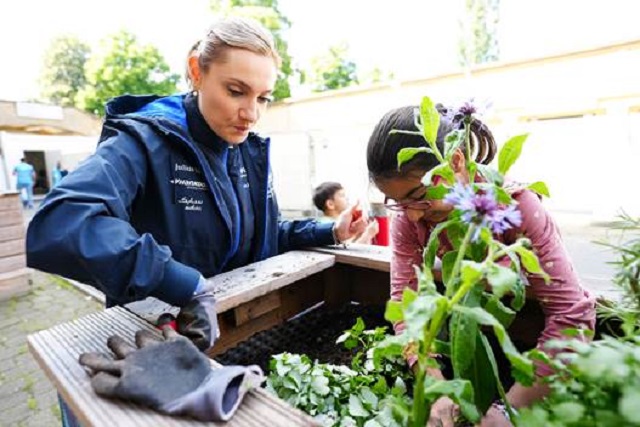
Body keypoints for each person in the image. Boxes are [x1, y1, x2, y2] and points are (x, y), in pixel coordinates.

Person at [26, 17, 365, 425]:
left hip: (229, 342)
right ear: (196, 71)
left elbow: (262, 238)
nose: (251, 113)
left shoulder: (246, 150)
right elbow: (63, 220)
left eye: (264, 97)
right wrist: (185, 283)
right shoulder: (142, 141)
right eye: (236, 91)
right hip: (152, 347)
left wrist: (330, 230)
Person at [365, 105, 596, 426]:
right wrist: (435, 387)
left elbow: (573, 315)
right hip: (458, 346)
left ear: (456, 161)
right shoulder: (410, 218)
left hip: (529, 366)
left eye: (419, 195)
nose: (413, 214)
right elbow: (406, 309)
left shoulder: (517, 206)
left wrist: (509, 411)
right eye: (400, 203)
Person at [312, 181, 379, 244]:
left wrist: (359, 233)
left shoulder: (328, 223)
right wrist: (368, 234)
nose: (347, 198)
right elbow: (348, 253)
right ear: (330, 204)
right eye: (342, 195)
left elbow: (349, 244)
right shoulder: (329, 226)